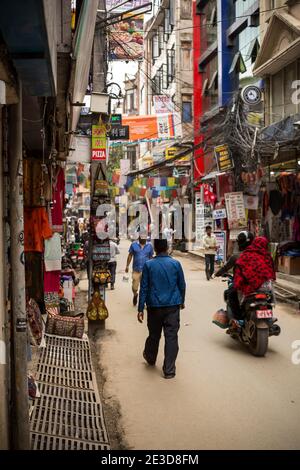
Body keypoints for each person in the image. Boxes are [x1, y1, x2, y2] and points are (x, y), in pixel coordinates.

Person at [137, 239, 186, 379]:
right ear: (167, 247)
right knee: (171, 337)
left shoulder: (148, 265)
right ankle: (169, 370)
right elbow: (182, 285)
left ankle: (151, 358)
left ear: (155, 249)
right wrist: (181, 301)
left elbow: (144, 288)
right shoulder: (176, 264)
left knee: (154, 335)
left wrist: (140, 308)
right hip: (172, 306)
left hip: (154, 307)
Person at [215, 231, 254, 320]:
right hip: (260, 284)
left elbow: (225, 268)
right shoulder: (261, 254)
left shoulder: (237, 256)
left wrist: (217, 274)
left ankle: (238, 319)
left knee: (231, 294)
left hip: (244, 284)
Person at [125, 237, 154, 306]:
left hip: (146, 270)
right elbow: (130, 255)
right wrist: (127, 266)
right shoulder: (134, 244)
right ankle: (135, 294)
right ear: (139, 237)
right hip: (136, 269)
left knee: (144, 288)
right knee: (134, 287)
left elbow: (151, 257)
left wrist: (152, 268)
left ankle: (143, 302)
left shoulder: (149, 246)